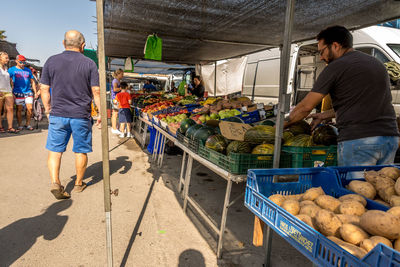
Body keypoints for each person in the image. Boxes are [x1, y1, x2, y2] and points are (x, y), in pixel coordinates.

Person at [286, 25, 399, 166]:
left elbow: (306, 107)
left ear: (335, 46)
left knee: (354, 186)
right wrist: (324, 115)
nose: (321, 57)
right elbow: (361, 102)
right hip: (389, 139)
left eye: (322, 51)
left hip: (360, 141)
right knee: (380, 185)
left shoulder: (335, 67)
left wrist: (281, 126)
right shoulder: (377, 64)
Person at [40, 30, 101, 200]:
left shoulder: (51, 61)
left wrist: (47, 109)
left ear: (63, 43)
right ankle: (79, 184)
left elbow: (44, 88)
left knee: (55, 150)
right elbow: (96, 91)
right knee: (80, 151)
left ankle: (55, 182)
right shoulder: (89, 64)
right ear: (82, 45)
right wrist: (102, 113)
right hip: (81, 115)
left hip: (58, 114)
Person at [8, 55, 38, 131]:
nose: (23, 63)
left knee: (30, 108)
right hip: (17, 92)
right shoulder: (11, 70)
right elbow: (8, 81)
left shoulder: (28, 70)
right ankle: (20, 125)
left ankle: (27, 124)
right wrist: (10, 92)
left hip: (28, 92)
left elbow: (32, 81)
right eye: (21, 62)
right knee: (19, 109)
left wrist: (35, 92)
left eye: (24, 62)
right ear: (16, 61)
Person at [0, 52, 17, 133]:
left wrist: (12, 90)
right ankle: (0, 126)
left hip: (8, 91)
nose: (8, 59)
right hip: (0, 91)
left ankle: (10, 127)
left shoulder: (6, 68)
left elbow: (9, 80)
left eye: (8, 58)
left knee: (10, 109)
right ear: (0, 58)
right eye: (6, 58)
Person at [111, 69, 123, 135]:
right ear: (118, 74)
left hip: (117, 99)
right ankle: (114, 129)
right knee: (115, 114)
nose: (122, 75)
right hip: (114, 99)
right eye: (121, 74)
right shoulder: (115, 80)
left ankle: (115, 127)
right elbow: (115, 89)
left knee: (116, 113)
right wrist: (122, 88)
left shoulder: (118, 80)